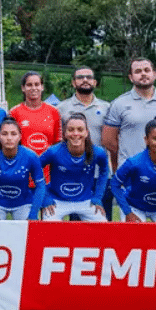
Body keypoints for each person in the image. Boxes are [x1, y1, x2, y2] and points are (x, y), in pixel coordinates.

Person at [101, 58, 156, 218]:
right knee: (133, 237)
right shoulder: (119, 103)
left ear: (154, 74)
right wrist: (126, 166)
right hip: (132, 178)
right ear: (131, 77)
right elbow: (109, 141)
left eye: (147, 70)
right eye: (138, 71)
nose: (143, 74)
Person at [56, 67, 113, 219]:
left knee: (103, 223)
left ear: (95, 82)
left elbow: (113, 140)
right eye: (80, 77)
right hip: (74, 174)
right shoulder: (61, 108)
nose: (85, 80)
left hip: (100, 174)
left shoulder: (107, 108)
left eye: (89, 77)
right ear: (74, 83)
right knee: (77, 227)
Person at [36, 113, 109, 221]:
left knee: (103, 225)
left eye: (80, 130)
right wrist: (45, 196)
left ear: (86, 133)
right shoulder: (53, 151)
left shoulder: (98, 152)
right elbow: (35, 169)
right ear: (65, 133)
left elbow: (104, 171)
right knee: (49, 227)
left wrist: (97, 196)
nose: (75, 133)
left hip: (86, 201)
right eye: (71, 130)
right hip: (57, 201)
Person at [0, 118, 44, 220]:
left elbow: (41, 186)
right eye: (4, 134)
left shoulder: (31, 156)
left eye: (13, 134)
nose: (9, 138)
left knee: (27, 230)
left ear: (20, 137)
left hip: (23, 203)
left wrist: (33, 214)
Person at [10, 71, 63, 164]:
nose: (33, 88)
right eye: (29, 85)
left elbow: (58, 145)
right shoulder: (14, 112)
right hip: (22, 169)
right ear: (23, 88)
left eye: (37, 84)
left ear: (42, 87)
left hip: (47, 171)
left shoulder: (54, 112)